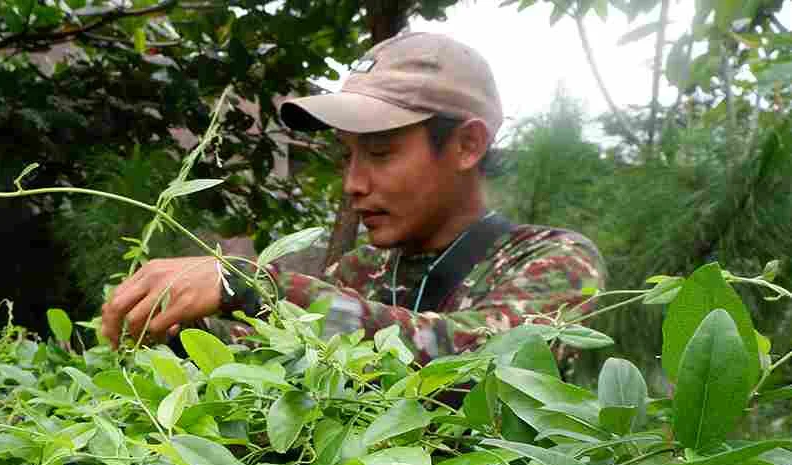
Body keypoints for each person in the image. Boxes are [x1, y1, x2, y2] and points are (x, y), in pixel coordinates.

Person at [100, 32, 606, 364]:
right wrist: (176, 338)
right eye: (348, 155)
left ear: (467, 145)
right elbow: (261, 361)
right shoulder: (360, 272)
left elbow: (485, 360)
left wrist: (251, 287)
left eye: (381, 153)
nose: (353, 184)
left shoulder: (553, 262)